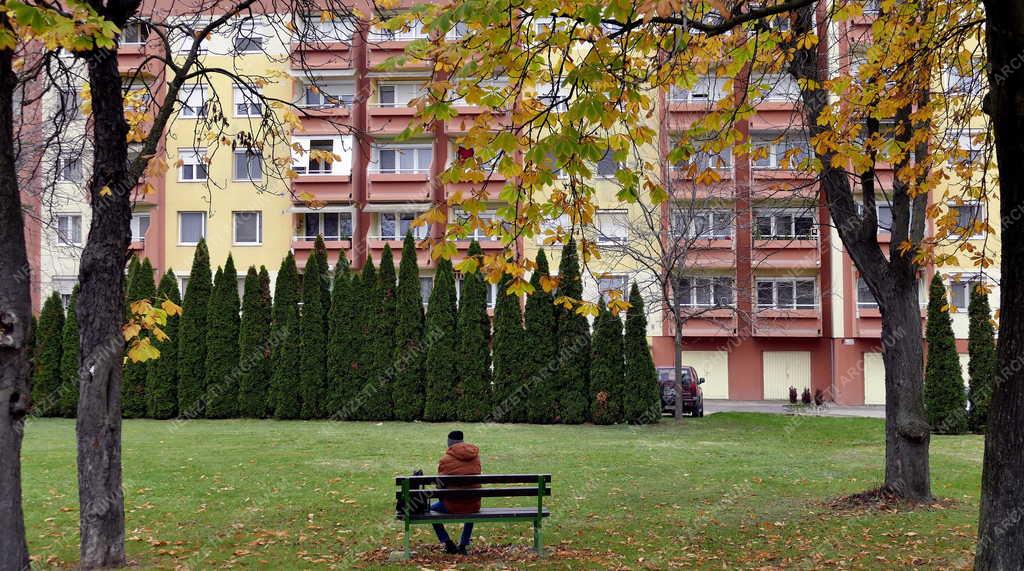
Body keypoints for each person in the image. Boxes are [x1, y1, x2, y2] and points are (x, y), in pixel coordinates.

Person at [432, 430, 481, 554]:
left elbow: (440, 486)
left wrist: (442, 499)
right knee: (470, 508)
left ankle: (447, 543)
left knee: (429, 511)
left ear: (450, 443)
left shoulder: (445, 460)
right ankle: (463, 545)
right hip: (473, 503)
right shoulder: (475, 458)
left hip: (452, 505)